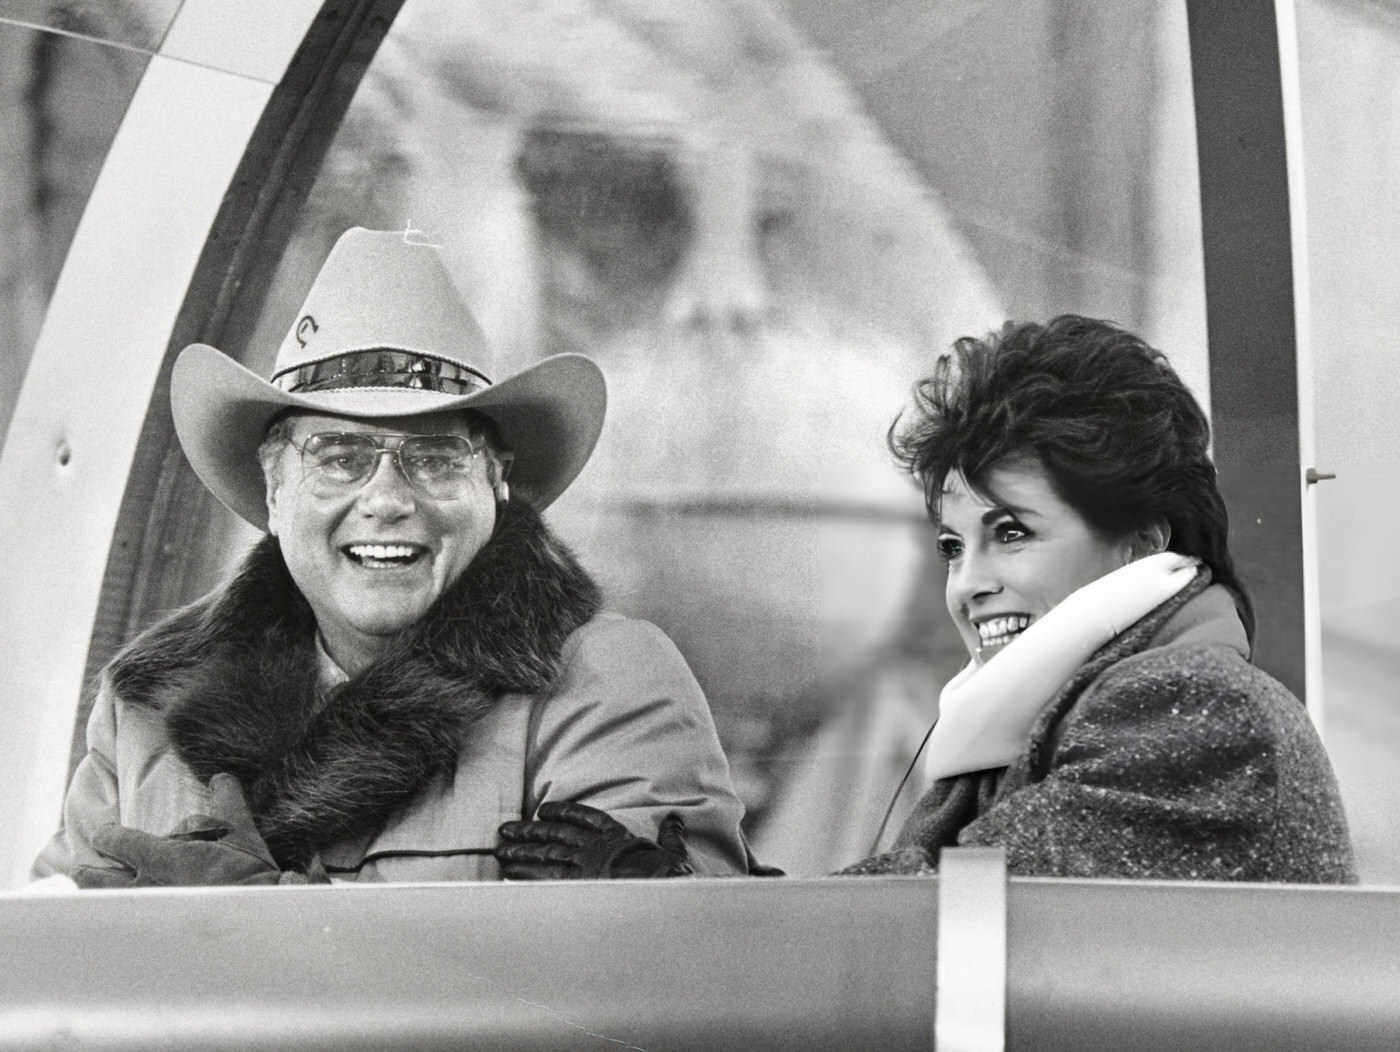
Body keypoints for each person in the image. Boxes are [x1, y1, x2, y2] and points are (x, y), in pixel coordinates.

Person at [498, 315, 1356, 884]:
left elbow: (937, 931)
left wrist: (670, 898)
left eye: (1012, 533)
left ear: (1145, 541)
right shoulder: (1027, 732)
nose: (971, 583)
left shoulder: (1191, 707)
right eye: (952, 546)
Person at [32, 226, 749, 886]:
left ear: (496, 484)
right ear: (275, 491)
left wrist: (246, 930)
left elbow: (678, 989)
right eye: (340, 456)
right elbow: (44, 984)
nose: (386, 499)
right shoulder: (143, 712)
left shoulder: (606, 685)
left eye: (434, 458)